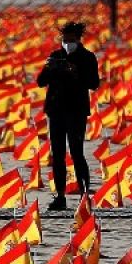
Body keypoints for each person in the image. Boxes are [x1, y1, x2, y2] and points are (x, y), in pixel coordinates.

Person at [36, 20, 100, 213]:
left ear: (78, 39)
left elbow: (94, 83)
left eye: (71, 40)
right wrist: (49, 69)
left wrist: (76, 73)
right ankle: (60, 197)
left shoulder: (87, 57)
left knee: (77, 153)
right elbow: (40, 82)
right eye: (65, 39)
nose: (67, 43)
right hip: (56, 111)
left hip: (76, 111)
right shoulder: (55, 56)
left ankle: (84, 195)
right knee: (57, 156)